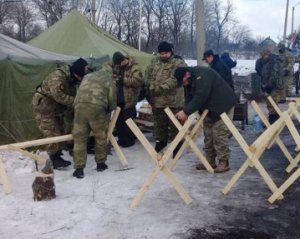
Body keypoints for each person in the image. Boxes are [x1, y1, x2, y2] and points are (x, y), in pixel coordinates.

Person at [174, 66, 237, 173]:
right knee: (208, 134)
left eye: (183, 81)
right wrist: (186, 111)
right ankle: (209, 160)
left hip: (223, 104)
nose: (183, 84)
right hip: (209, 108)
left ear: (187, 75)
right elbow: (189, 97)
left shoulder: (202, 76)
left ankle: (223, 162)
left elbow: (200, 96)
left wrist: (185, 112)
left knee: (219, 134)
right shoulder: (188, 80)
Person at [32, 58, 88, 169]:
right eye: (79, 77)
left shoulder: (70, 76)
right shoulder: (57, 77)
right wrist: (76, 103)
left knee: (61, 129)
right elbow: (59, 96)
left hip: (56, 108)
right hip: (44, 108)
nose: (79, 79)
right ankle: (54, 158)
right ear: (75, 73)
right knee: (51, 132)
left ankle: (58, 152)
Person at [72, 66, 117, 179]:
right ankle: (101, 163)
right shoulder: (109, 79)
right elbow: (112, 99)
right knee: (100, 135)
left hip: (79, 106)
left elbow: (80, 91)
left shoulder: (87, 76)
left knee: (79, 138)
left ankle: (79, 168)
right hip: (96, 108)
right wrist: (109, 109)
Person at [144, 41, 186, 155]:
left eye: (166, 53)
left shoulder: (178, 62)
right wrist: (147, 85)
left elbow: (175, 80)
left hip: (174, 102)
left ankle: (177, 146)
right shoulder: (155, 61)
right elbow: (147, 74)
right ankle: (161, 142)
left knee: (174, 126)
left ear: (171, 52)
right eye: (161, 53)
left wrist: (159, 88)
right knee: (159, 125)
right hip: (157, 101)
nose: (163, 56)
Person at [112, 51, 143, 147]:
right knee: (119, 122)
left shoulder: (135, 67)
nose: (119, 65)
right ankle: (121, 140)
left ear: (124, 60)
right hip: (118, 99)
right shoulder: (117, 67)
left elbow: (137, 81)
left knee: (128, 122)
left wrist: (122, 80)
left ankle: (130, 141)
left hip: (129, 99)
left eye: (119, 63)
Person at [258, 49, 283, 124]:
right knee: (270, 103)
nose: (263, 57)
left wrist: (269, 85)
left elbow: (274, 75)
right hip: (270, 86)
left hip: (274, 87)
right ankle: (273, 119)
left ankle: (274, 121)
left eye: (264, 55)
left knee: (273, 103)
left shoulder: (273, 62)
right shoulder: (268, 62)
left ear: (267, 54)